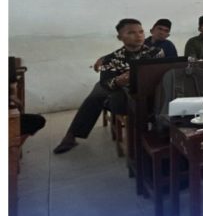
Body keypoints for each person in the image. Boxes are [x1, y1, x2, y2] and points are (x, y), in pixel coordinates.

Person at [53, 19, 164, 154]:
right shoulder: (111, 59)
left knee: (97, 92)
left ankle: (71, 135)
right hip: (122, 95)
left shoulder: (156, 53)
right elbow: (107, 83)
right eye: (131, 33)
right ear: (120, 37)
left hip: (150, 94)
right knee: (100, 91)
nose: (139, 35)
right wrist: (118, 81)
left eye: (141, 32)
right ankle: (72, 135)